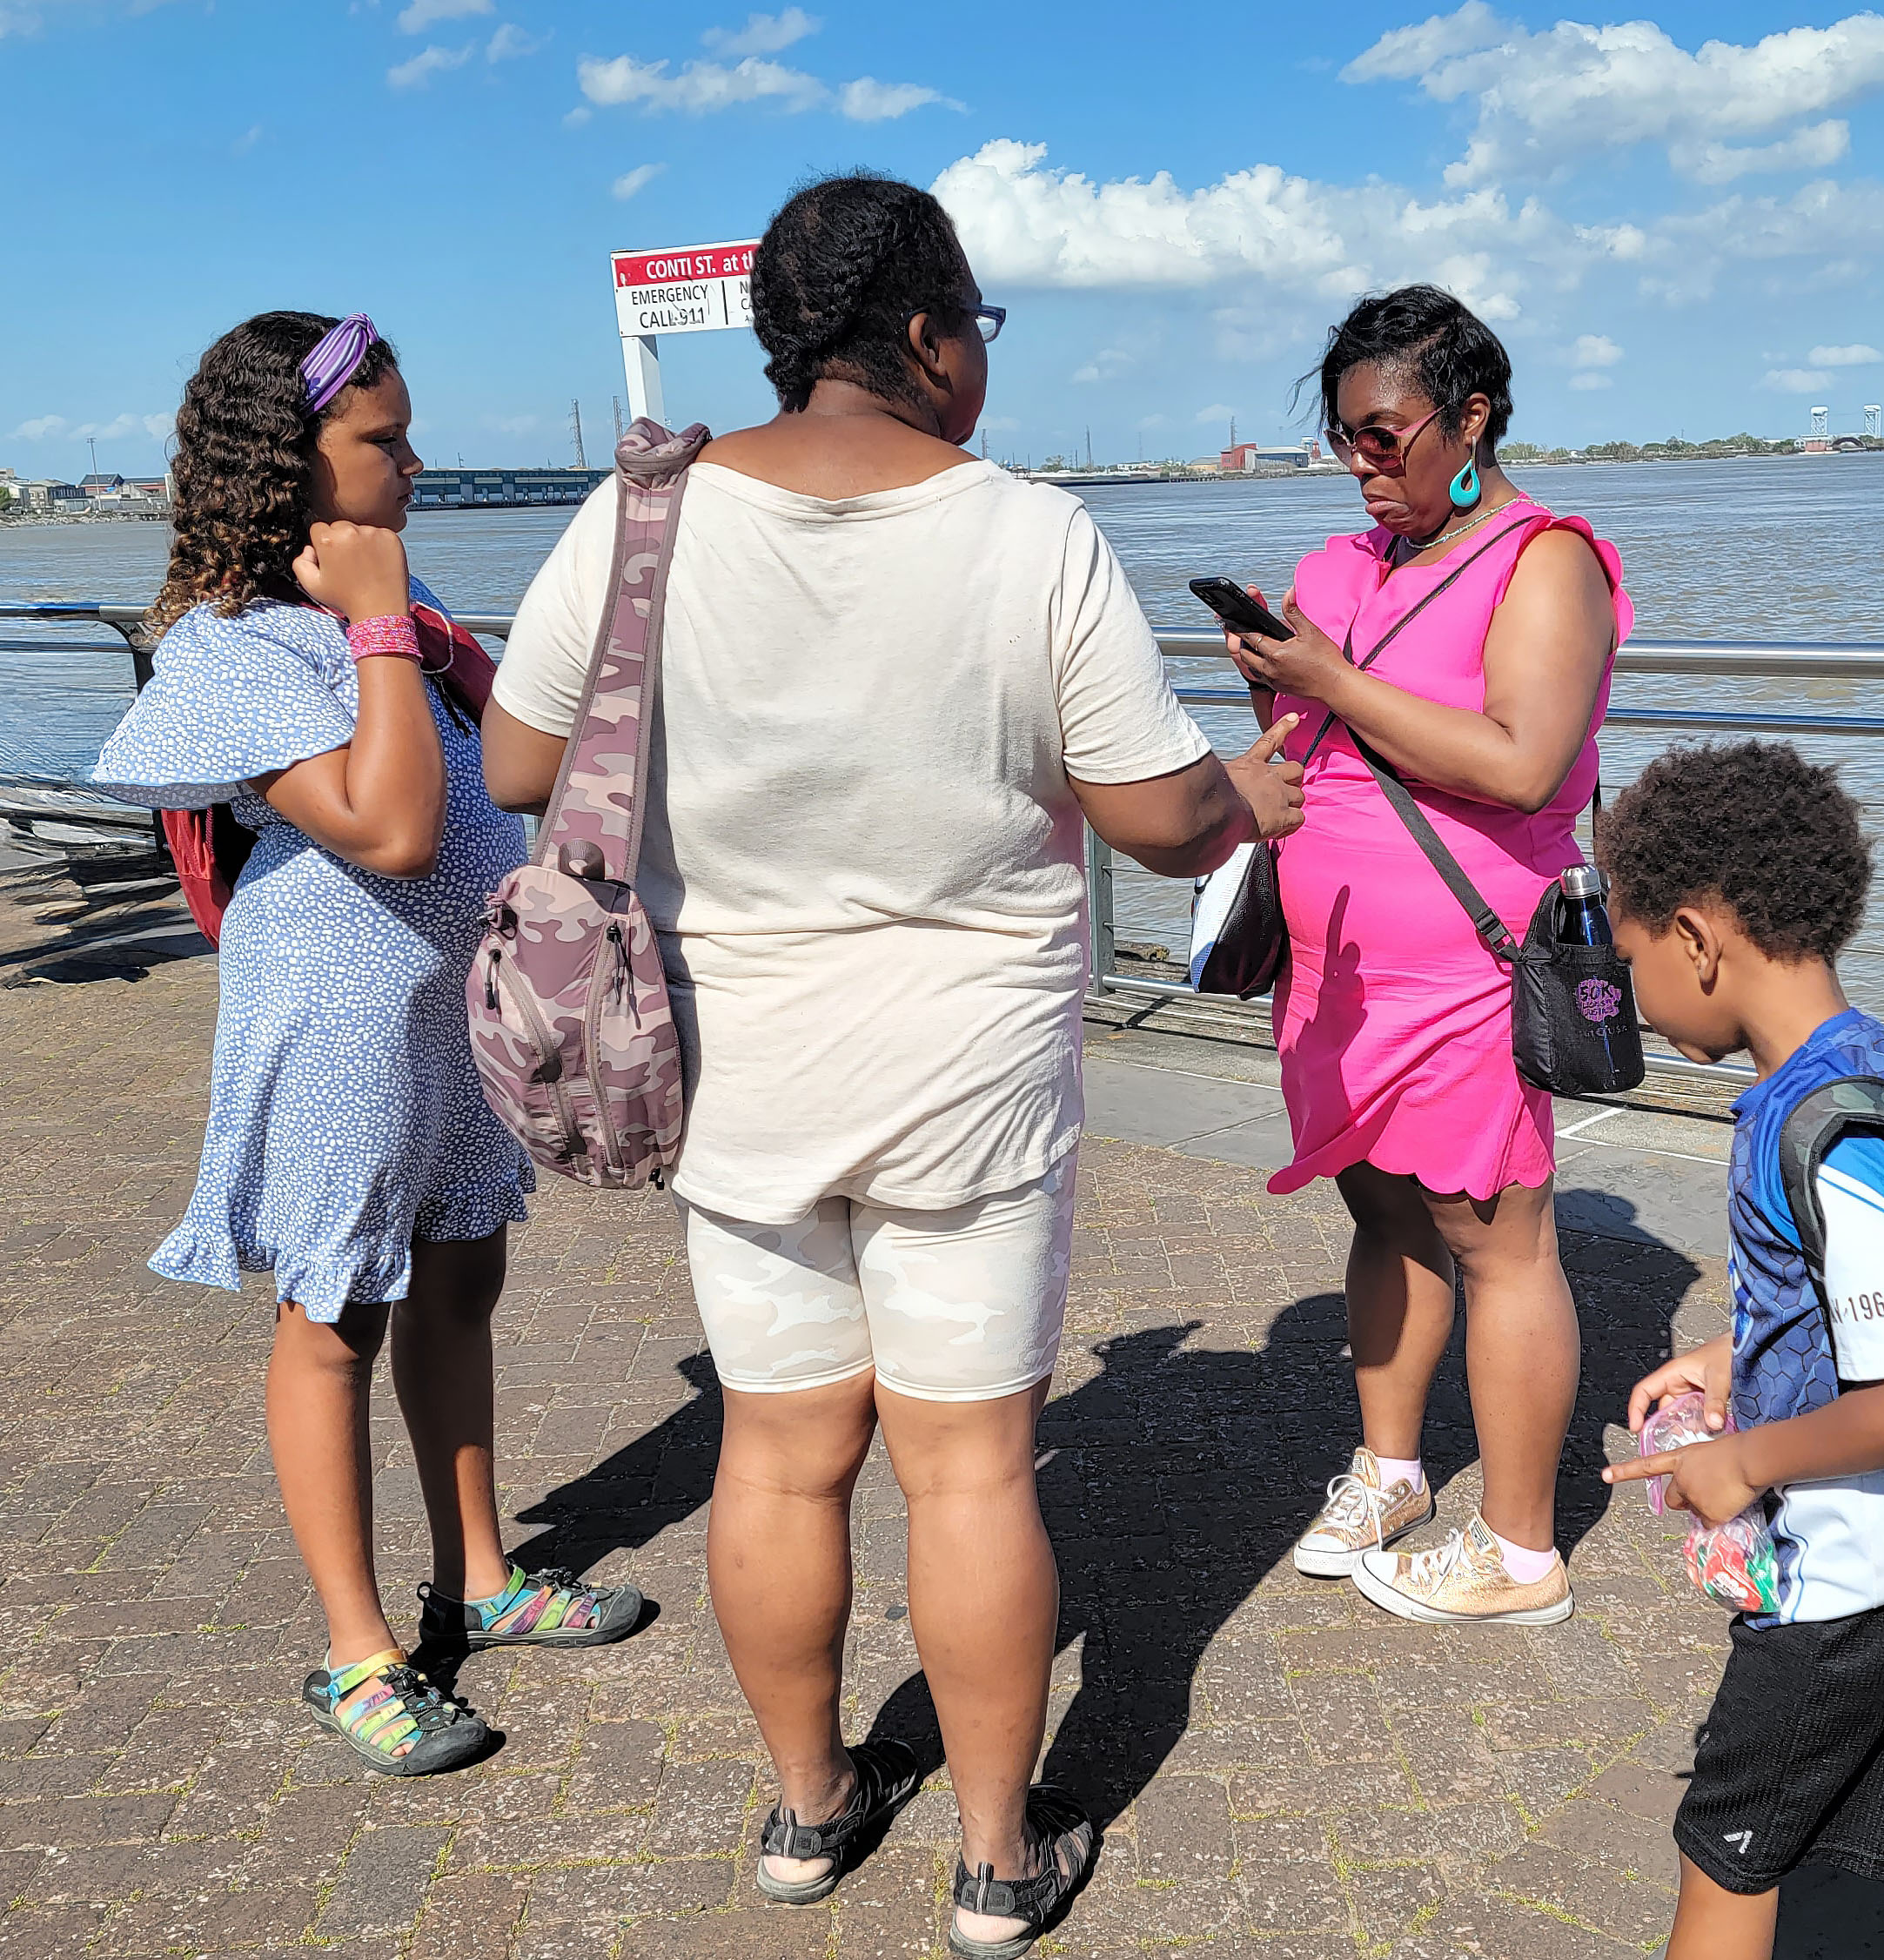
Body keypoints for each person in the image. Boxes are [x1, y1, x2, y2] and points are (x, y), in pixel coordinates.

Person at [481, 174, 1302, 1960]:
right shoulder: (1026, 533)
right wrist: (1257, 791)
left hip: (737, 1066)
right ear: (932, 335)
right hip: (969, 1071)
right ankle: (1000, 1856)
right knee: (970, 1472)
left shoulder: (645, 518)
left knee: (777, 1458)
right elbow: (1162, 821)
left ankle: (807, 1804)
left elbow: (518, 753)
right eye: (978, 328)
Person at [89, 312, 644, 1780]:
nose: (411, 464)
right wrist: (385, 612)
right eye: (381, 441)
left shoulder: (393, 614)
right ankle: (353, 1652)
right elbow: (391, 831)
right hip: (334, 1015)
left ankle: (479, 1575)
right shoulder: (228, 646)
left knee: (463, 1276)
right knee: (336, 1316)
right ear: (290, 462)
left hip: (447, 1009)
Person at [1218, 285, 1630, 1626]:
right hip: (1332, 965)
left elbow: (1522, 764)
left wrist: (1331, 682)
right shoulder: (1337, 569)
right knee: (1381, 1210)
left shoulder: (1543, 558)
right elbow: (1324, 741)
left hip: (1468, 958)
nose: (1362, 463)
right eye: (1344, 438)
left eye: (1385, 434)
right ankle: (1390, 1469)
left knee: (1496, 1238)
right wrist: (1277, 680)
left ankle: (1519, 1553)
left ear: (1471, 416)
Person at [1592, 740, 1884, 1960]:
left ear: (1693, 938)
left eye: (1628, 966)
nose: (1633, 999)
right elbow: (1876, 1299)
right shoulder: (1868, 1066)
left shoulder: (1822, 1129)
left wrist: (1747, 1459)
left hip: (1842, 1583)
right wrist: (1735, 1355)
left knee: (1721, 1852)